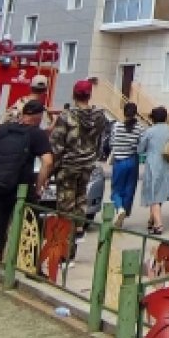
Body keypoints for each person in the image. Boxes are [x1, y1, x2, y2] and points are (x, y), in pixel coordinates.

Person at [0, 99, 53, 260]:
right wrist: (39, 187)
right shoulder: (36, 134)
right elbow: (47, 162)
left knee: (3, 212)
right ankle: (31, 259)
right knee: (32, 218)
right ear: (39, 117)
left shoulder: (3, 129)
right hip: (21, 186)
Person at [49, 79, 109, 240]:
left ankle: (64, 248)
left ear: (74, 94)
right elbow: (101, 142)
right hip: (88, 165)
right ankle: (76, 237)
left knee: (65, 207)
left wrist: (54, 165)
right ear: (90, 95)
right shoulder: (99, 117)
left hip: (68, 166)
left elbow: (56, 143)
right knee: (81, 200)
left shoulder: (67, 116)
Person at [137, 106, 169, 235]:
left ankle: (158, 225)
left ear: (153, 118)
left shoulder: (149, 132)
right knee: (160, 193)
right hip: (168, 165)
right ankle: (151, 220)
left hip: (153, 165)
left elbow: (140, 149)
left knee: (153, 196)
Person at [107, 102, 145, 227]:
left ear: (124, 112)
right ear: (135, 114)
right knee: (129, 189)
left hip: (119, 162)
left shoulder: (116, 126)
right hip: (133, 161)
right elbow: (141, 146)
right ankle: (123, 215)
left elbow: (111, 143)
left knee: (116, 189)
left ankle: (119, 208)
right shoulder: (139, 128)